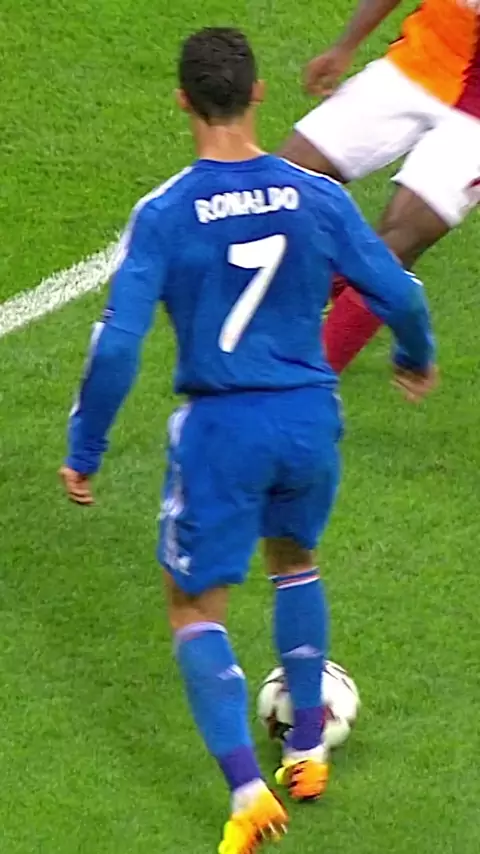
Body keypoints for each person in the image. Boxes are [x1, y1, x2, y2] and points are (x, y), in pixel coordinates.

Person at [59, 27, 436, 854]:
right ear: (258, 92)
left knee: (194, 607)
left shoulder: (165, 213)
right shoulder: (315, 196)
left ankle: (245, 792)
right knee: (295, 560)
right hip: (307, 420)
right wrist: (415, 354)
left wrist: (85, 448)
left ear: (183, 101)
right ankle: (308, 748)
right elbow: (397, 291)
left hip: (223, 429)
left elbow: (117, 347)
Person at [281, 0, 480, 373]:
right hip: (417, 65)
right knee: (285, 183)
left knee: (402, 237)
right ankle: (342, 282)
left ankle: (305, 381)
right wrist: (345, 46)